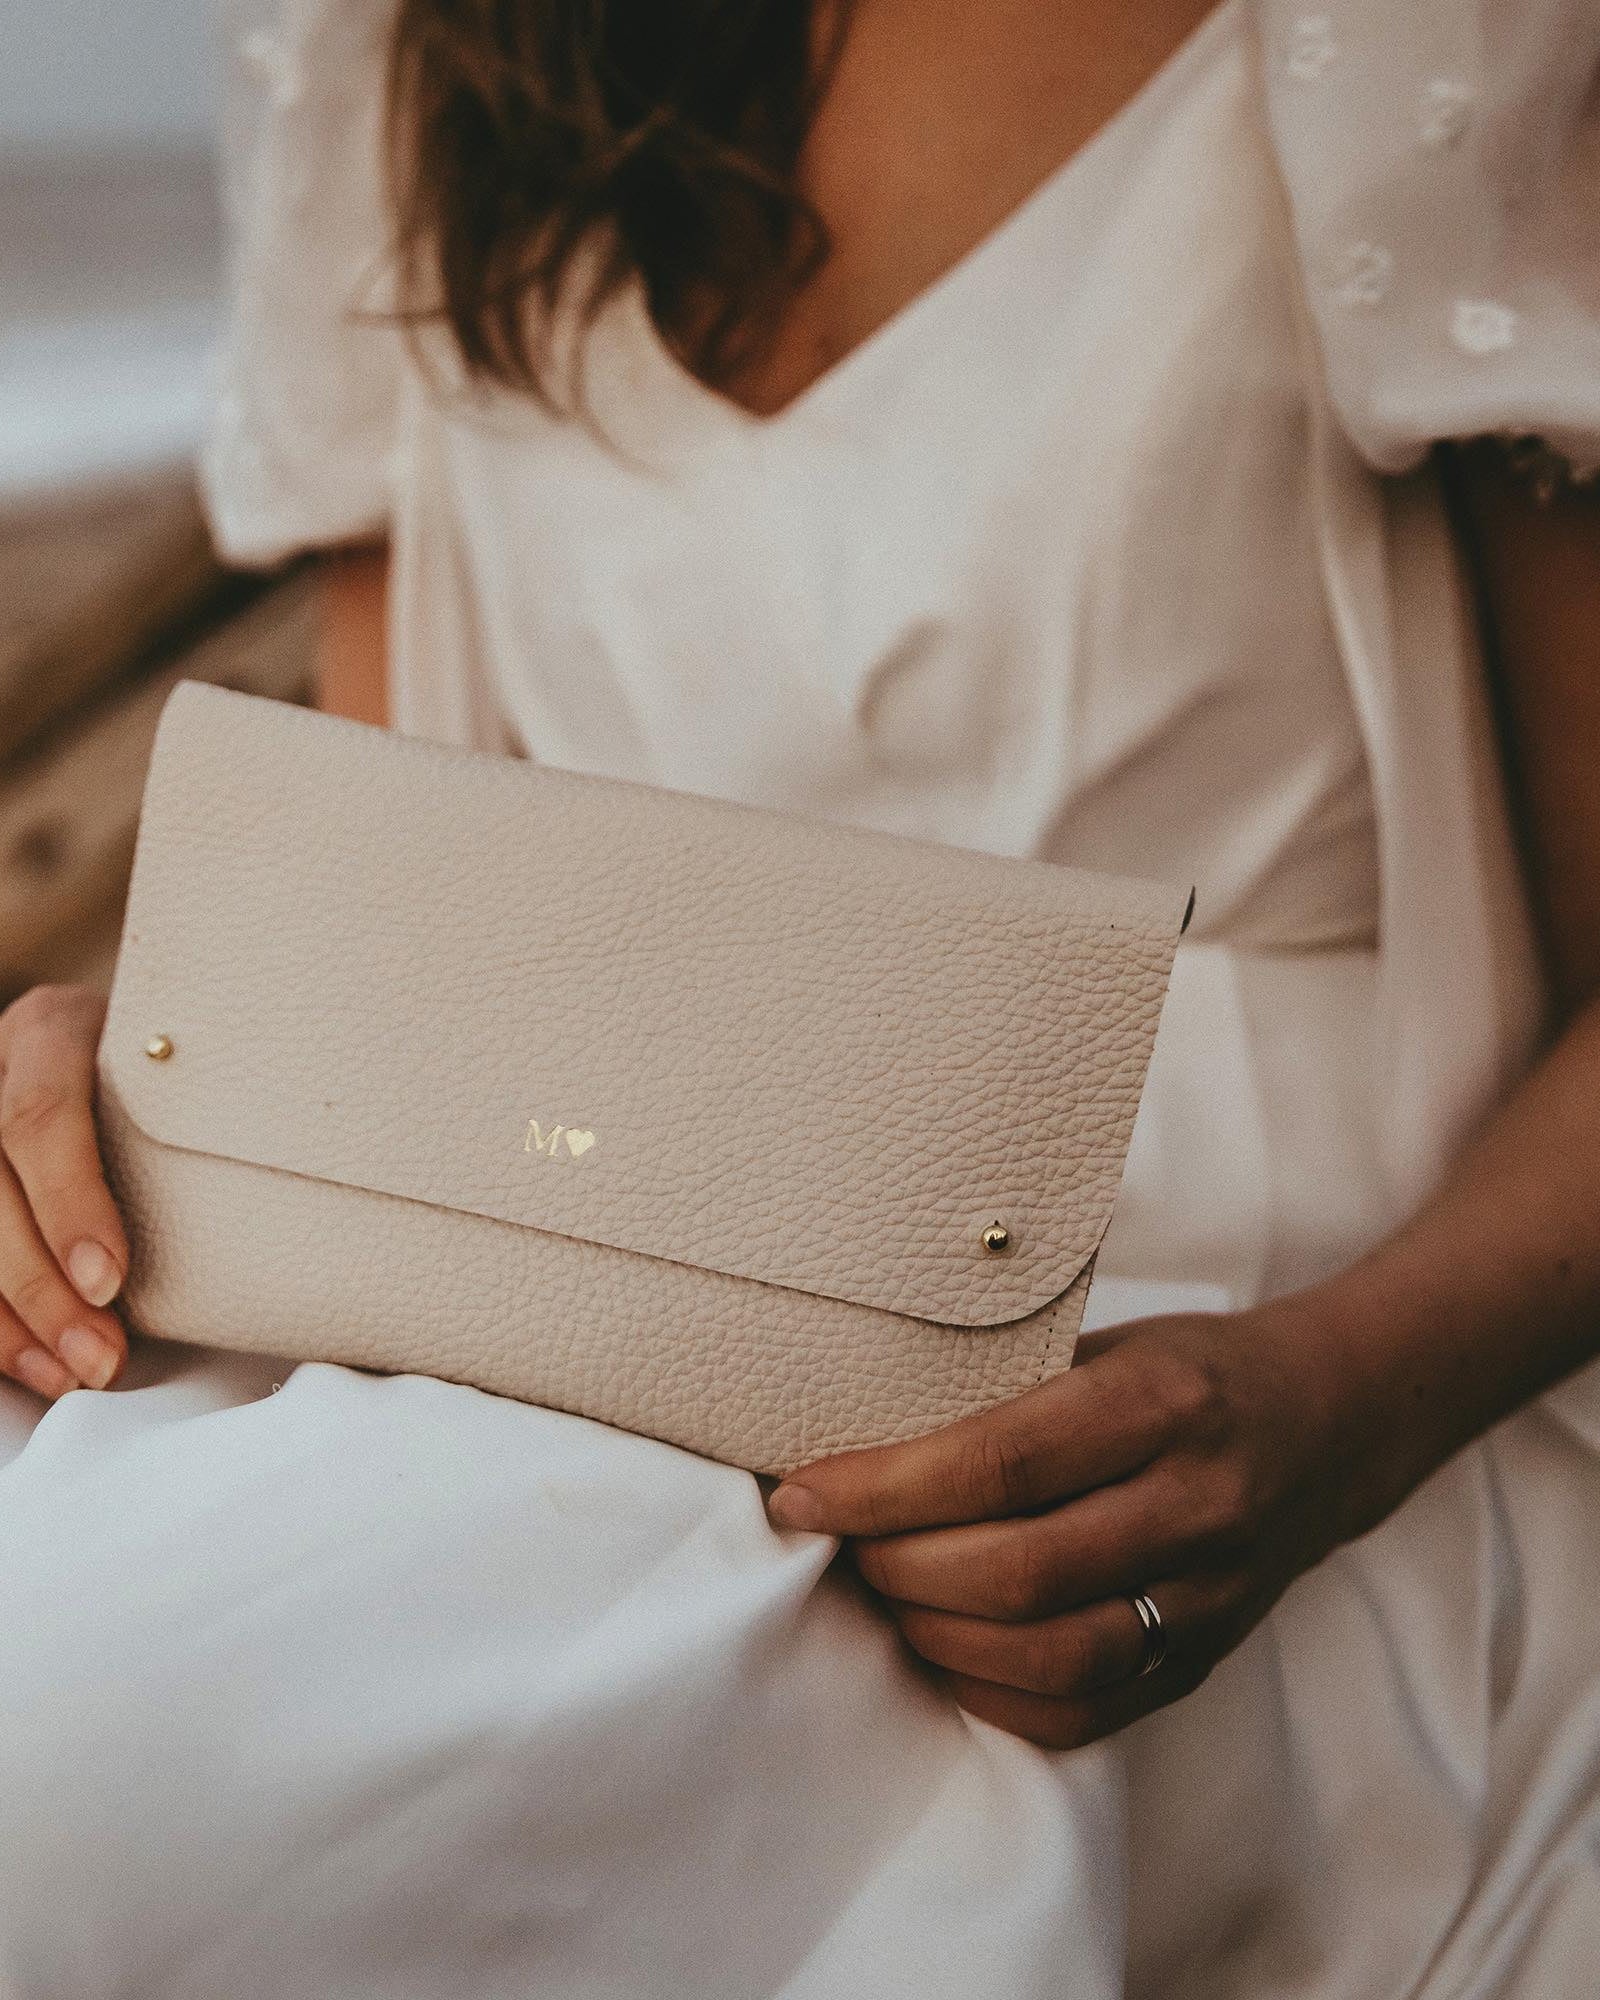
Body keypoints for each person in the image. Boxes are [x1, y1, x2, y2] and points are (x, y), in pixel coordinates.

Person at [0, 0, 1597, 1992]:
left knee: (108, 1767)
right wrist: (109, 1070)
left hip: (1199, 1399)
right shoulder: (407, 43)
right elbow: (404, 869)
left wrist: (1328, 1410)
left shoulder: (1425, 36)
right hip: (529, 1300)